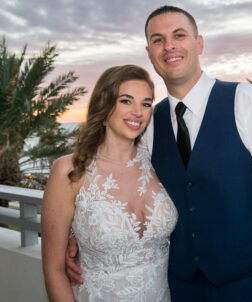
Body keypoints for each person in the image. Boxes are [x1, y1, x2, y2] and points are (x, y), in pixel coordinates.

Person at [67, 6, 252, 301]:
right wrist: (80, 234)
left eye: (179, 35)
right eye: (158, 40)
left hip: (249, 287)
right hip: (181, 289)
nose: (169, 45)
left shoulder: (245, 103)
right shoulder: (148, 123)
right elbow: (121, 184)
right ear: (149, 53)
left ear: (199, 43)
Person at [42, 65, 178, 301]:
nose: (138, 112)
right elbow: (54, 269)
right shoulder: (70, 170)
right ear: (104, 106)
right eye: (126, 101)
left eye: (146, 104)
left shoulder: (161, 164)